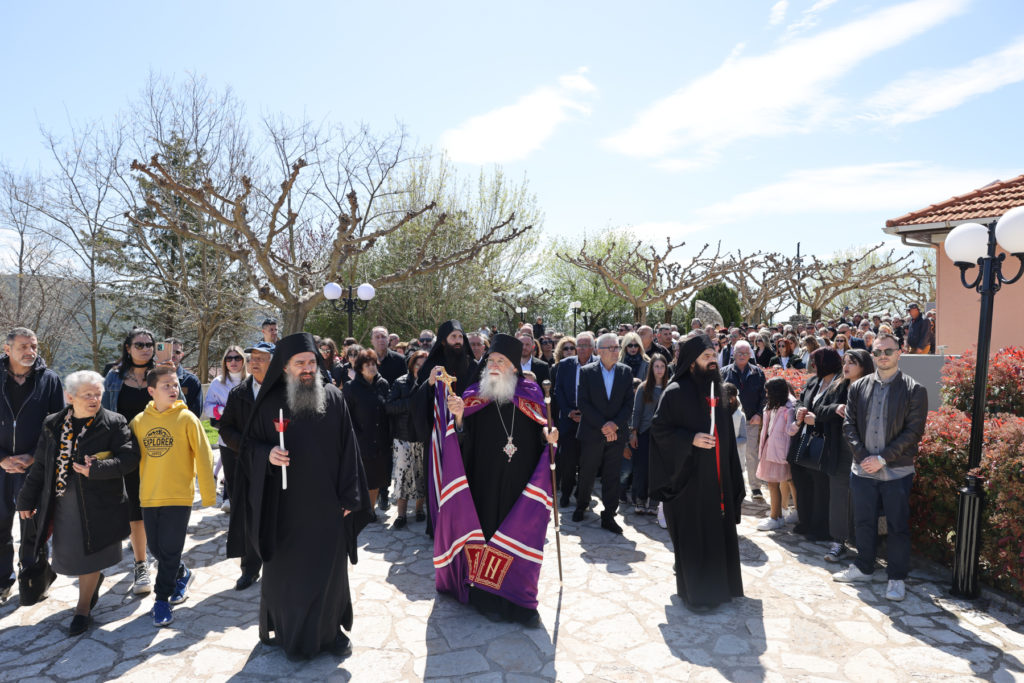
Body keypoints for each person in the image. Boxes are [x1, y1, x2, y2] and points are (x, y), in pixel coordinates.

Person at [243, 333, 370, 658]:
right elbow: (249, 448)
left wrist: (348, 498)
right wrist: (267, 454)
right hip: (283, 510)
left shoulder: (333, 397)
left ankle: (331, 635)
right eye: (300, 363)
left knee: (330, 576)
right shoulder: (269, 403)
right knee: (290, 578)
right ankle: (290, 635)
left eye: (311, 362)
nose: (307, 369)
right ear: (284, 367)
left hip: (327, 507)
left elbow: (349, 452)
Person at [442, 333, 558, 624]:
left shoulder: (531, 394)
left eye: (501, 361)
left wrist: (550, 436)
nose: (494, 365)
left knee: (520, 535)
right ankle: (485, 595)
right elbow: (462, 441)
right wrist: (457, 418)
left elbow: (543, 430)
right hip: (484, 480)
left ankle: (520, 601)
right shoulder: (474, 395)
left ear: (514, 368)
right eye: (491, 360)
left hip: (521, 483)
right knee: (487, 535)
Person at [17, 370, 138, 636]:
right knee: (69, 559)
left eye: (98, 394)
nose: (95, 399)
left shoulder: (114, 422)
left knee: (92, 557)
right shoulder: (52, 423)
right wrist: (26, 498)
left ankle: (82, 610)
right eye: (88, 395)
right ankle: (90, 584)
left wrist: (96, 469)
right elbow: (40, 465)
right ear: (69, 396)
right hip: (61, 505)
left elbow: (129, 460)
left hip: (100, 505)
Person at [649, 333, 745, 611]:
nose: (713, 361)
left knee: (717, 531)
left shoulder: (720, 391)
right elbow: (659, 430)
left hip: (718, 479)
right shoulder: (675, 392)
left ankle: (722, 586)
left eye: (714, 355)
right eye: (706, 357)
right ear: (691, 362)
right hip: (690, 480)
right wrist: (690, 439)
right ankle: (699, 594)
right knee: (696, 534)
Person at [833, 333, 928, 602]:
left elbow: (913, 432)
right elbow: (849, 426)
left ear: (900, 353)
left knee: (897, 526)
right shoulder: (858, 387)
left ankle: (896, 577)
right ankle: (864, 567)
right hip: (862, 470)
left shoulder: (914, 390)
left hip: (896, 472)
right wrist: (864, 457)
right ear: (872, 355)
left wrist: (882, 459)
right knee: (863, 521)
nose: (883, 356)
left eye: (888, 350)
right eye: (877, 352)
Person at [130, 364, 216, 626]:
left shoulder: (187, 418)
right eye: (166, 385)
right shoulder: (139, 422)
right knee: (156, 548)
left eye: (175, 384)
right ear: (151, 391)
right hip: (149, 496)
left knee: (170, 548)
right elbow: (126, 456)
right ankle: (181, 572)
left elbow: (204, 455)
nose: (173, 388)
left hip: (179, 496)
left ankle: (161, 600)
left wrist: (209, 495)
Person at [1, 327, 65, 604]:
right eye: (23, 347)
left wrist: (33, 457)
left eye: (34, 346)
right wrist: (1, 457)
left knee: (34, 527)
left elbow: (58, 425)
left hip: (35, 467)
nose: (30, 352)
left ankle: (34, 578)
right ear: (7, 349)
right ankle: (3, 581)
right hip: (0, 468)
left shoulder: (49, 380)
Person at [102, 327, 156, 596]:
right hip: (127, 453)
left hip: (159, 451)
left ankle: (166, 555)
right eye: (139, 344)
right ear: (128, 348)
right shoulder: (113, 378)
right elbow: (103, 416)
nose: (146, 348)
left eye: (149, 344)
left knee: (160, 504)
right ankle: (141, 562)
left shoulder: (162, 375)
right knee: (135, 507)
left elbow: (178, 408)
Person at [218, 341, 274, 590]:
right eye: (253, 357)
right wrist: (245, 446)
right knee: (249, 515)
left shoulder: (283, 393)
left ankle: (279, 566)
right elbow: (226, 427)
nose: (254, 362)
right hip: (247, 465)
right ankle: (249, 569)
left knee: (276, 515)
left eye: (262, 358)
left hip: (278, 467)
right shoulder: (239, 393)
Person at [574, 333, 633, 533]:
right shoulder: (587, 372)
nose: (616, 351)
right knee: (587, 473)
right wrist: (604, 425)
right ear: (599, 351)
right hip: (592, 432)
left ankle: (609, 515)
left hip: (616, 434)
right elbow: (583, 402)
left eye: (617, 347)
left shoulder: (626, 372)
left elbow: (628, 404)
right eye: (612, 348)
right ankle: (581, 505)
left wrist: (614, 425)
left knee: (612, 476)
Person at [819, 348, 873, 563]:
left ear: (864, 366)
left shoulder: (874, 387)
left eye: (852, 362)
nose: (846, 366)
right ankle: (838, 542)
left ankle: (864, 545)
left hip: (866, 452)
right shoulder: (838, 385)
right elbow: (818, 409)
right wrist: (835, 407)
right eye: (845, 361)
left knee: (864, 499)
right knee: (839, 496)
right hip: (839, 450)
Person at [789, 348, 844, 542]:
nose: (813, 366)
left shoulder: (842, 384)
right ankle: (805, 522)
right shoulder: (813, 381)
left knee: (821, 487)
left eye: (816, 362)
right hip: (803, 440)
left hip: (824, 443)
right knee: (802, 483)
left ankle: (820, 528)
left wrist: (817, 419)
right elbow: (799, 401)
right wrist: (799, 411)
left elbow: (841, 412)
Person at [343, 349, 391, 517]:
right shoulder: (351, 387)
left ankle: (370, 510)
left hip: (381, 440)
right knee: (363, 479)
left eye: (373, 364)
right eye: (367, 365)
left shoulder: (383, 384)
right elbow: (346, 416)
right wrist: (357, 436)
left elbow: (388, 410)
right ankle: (361, 510)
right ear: (360, 368)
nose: (371, 367)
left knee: (377, 478)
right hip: (361, 441)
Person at [385, 350, 429, 529]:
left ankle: (419, 510)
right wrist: (411, 403)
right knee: (402, 477)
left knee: (421, 475)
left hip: (422, 437)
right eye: (418, 364)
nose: (421, 368)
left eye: (424, 365)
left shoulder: (431, 384)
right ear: (412, 365)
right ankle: (401, 515)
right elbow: (389, 406)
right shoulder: (400, 382)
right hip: (403, 437)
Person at [720, 341, 767, 503]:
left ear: (750, 355)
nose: (742, 356)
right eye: (739, 352)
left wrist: (760, 414)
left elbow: (764, 396)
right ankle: (730, 485)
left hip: (751, 420)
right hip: (729, 420)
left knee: (751, 453)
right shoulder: (724, 372)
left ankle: (755, 487)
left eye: (745, 353)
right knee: (729, 453)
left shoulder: (758, 373)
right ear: (733, 353)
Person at [203, 346, 247, 512]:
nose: (233, 362)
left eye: (237, 358)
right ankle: (230, 501)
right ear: (224, 362)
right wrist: (222, 410)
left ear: (243, 360)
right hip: (226, 436)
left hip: (248, 434)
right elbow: (207, 408)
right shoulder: (217, 383)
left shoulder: (252, 381)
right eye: (229, 359)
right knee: (231, 474)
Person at [552, 332, 594, 508]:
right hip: (568, 421)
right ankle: (566, 493)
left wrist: (587, 414)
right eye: (579, 345)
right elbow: (558, 390)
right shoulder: (565, 364)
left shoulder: (599, 365)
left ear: (592, 348)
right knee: (568, 461)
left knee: (587, 462)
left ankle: (582, 495)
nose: (582, 349)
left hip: (591, 422)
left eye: (586, 345)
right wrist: (569, 412)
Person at [628, 353, 669, 515]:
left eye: (662, 366)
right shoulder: (644, 388)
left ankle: (654, 502)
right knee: (641, 468)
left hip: (663, 435)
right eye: (656, 366)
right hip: (644, 432)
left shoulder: (670, 387)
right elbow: (636, 412)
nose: (659, 370)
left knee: (658, 469)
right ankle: (639, 499)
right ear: (651, 368)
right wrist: (634, 433)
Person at [754, 378, 795, 531]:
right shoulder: (772, 406)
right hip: (769, 447)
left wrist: (796, 424)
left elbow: (790, 430)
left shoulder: (788, 408)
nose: (766, 394)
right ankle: (776, 514)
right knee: (772, 484)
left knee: (774, 483)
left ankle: (776, 517)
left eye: (768, 391)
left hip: (778, 450)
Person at [165, 338, 203, 416]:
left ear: (182, 355)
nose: (173, 355)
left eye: (177, 352)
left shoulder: (192, 381)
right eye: (169, 351)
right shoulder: (151, 378)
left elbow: (195, 413)